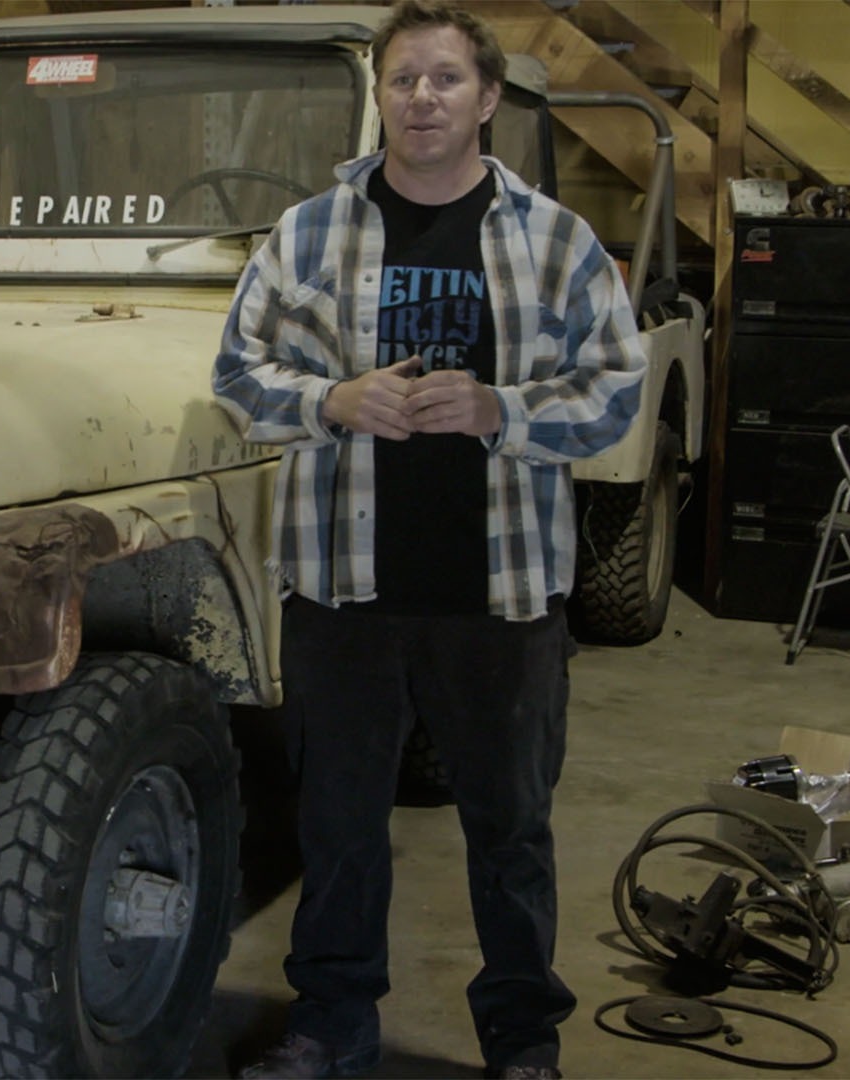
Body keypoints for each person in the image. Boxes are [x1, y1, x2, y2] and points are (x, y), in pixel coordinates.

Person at [209, 2, 648, 1078]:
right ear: (380, 95)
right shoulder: (308, 232)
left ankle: (522, 1042)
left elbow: (617, 390)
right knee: (339, 828)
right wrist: (332, 400)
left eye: (446, 79)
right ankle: (332, 1025)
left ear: (488, 98)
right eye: (402, 79)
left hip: (502, 597)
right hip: (344, 594)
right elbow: (235, 377)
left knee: (511, 832)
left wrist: (503, 410)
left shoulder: (556, 241)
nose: (422, 99)